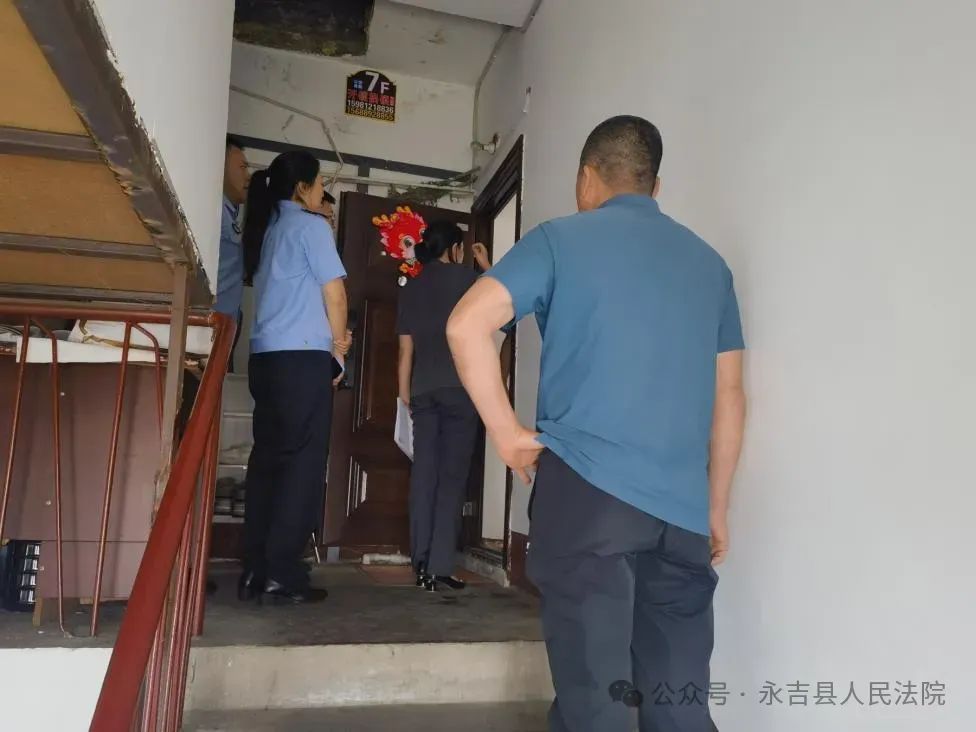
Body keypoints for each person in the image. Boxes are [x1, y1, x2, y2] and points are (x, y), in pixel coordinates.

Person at [447, 116, 747, 732]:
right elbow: (730, 394)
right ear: (654, 186)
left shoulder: (560, 240)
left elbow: (466, 324)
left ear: (587, 178)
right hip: (683, 516)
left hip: (588, 499)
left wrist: (507, 435)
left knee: (598, 702)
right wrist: (715, 507)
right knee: (679, 702)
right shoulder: (710, 266)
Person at [238, 151, 351, 604]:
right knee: (302, 466)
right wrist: (338, 351)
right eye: (320, 182)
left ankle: (255, 568)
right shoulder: (311, 227)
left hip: (265, 359)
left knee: (267, 464)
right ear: (303, 187)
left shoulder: (268, 229)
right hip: (302, 359)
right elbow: (335, 295)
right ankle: (283, 572)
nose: (323, 190)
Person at [396, 221, 490, 591]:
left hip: (422, 390)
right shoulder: (468, 279)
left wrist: (405, 393)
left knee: (424, 475)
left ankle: (420, 564)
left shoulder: (412, 287)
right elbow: (503, 307)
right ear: (454, 248)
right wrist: (486, 267)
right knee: (451, 478)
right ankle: (439, 567)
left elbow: (406, 350)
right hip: (459, 389)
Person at [215, 135, 251, 372]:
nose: (247, 176)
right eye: (242, 167)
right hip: (207, 328)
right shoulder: (213, 212)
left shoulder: (230, 213)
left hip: (223, 328)